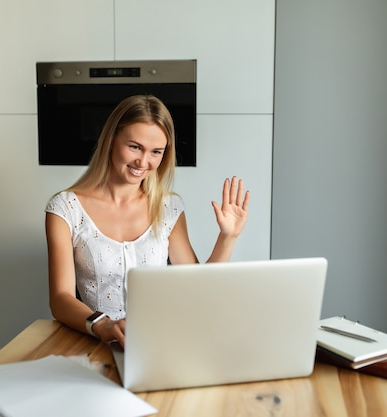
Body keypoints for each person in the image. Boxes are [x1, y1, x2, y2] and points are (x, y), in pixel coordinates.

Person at [44, 95, 250, 347]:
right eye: (134, 147)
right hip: (96, 343)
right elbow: (60, 298)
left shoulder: (169, 207)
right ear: (111, 140)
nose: (143, 162)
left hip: (163, 341)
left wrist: (227, 237)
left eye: (156, 152)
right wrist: (103, 325)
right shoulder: (65, 208)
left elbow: (199, 289)